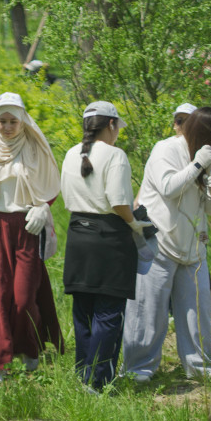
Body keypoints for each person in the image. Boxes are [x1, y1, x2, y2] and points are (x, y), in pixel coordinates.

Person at [0, 92, 64, 384]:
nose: (7, 127)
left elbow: (51, 186)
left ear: (22, 121)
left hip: (26, 229)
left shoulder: (34, 150)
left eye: (12, 121)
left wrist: (43, 208)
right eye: (1, 121)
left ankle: (29, 347)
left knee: (22, 296)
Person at [122, 107, 211, 382]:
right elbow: (168, 187)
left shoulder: (203, 158)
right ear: (199, 131)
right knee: (149, 310)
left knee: (199, 309)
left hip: (193, 246)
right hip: (159, 243)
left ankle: (199, 367)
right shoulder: (165, 149)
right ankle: (138, 370)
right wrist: (197, 166)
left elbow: (206, 208)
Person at [60, 101, 150, 392]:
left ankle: (83, 375)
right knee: (109, 312)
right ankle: (98, 381)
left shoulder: (71, 153)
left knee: (83, 310)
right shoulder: (116, 155)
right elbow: (119, 200)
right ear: (111, 124)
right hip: (109, 236)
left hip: (77, 235)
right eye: (117, 128)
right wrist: (134, 224)